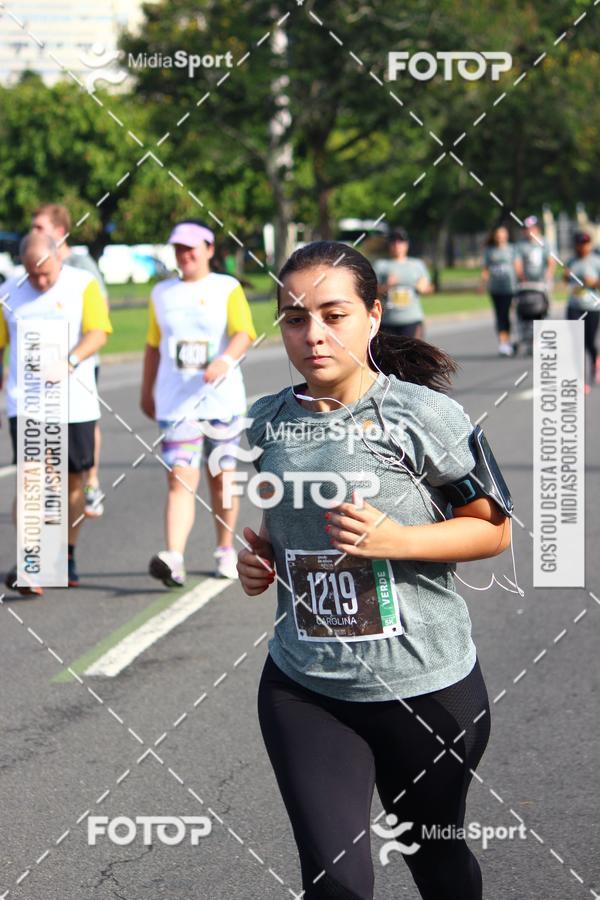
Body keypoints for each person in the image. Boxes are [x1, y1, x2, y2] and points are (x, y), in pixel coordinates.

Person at [237, 241, 513, 900]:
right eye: (296, 318)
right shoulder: (267, 422)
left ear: (372, 315)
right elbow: (292, 526)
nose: (314, 335)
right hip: (305, 686)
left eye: (333, 315)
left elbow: (495, 529)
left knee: (438, 865)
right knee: (336, 886)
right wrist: (265, 561)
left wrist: (398, 539)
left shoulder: (424, 418)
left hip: (425, 689)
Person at [141, 219, 257, 586]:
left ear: (209, 249)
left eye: (191, 248)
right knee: (180, 479)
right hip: (177, 405)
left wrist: (224, 360)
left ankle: (224, 548)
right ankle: (173, 557)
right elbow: (153, 345)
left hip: (221, 402)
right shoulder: (161, 293)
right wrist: (147, 391)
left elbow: (244, 333)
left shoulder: (226, 287)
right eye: (178, 248)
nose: (184, 255)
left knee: (222, 479)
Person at [0, 233, 112, 593]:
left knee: (72, 482)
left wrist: (70, 361)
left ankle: (65, 554)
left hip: (74, 402)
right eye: (34, 275)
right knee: (32, 479)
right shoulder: (10, 292)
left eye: (47, 273)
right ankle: (33, 560)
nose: (41, 282)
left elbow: (98, 332)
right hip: (27, 402)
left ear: (58, 259)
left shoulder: (83, 285)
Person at [31, 203, 108, 518]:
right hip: (45, 370)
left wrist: (74, 356)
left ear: (59, 232)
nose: (33, 233)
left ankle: (90, 480)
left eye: (40, 228)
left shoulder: (80, 265)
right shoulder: (34, 266)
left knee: (87, 420)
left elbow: (99, 311)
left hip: (80, 362)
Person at [373, 228, 433, 341]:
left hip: (412, 320)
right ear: (389, 245)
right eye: (393, 241)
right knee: (389, 357)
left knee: (413, 356)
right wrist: (387, 286)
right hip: (388, 321)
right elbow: (371, 291)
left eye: (400, 241)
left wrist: (424, 288)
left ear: (407, 244)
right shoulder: (381, 265)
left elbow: (430, 288)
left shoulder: (417, 265)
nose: (397, 245)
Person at [563, 230, 600, 394]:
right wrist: (565, 275)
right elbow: (565, 280)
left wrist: (593, 282)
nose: (583, 247)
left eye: (586, 243)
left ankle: (595, 361)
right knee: (576, 344)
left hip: (592, 307)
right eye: (580, 243)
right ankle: (580, 380)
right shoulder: (571, 261)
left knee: (589, 342)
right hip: (574, 306)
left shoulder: (596, 261)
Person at [480, 224, 517, 356]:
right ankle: (503, 343)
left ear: (506, 235)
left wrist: (521, 280)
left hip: (510, 288)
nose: (500, 236)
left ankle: (509, 339)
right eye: (498, 234)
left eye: (503, 233)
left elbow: (517, 267)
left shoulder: (512, 249)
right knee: (499, 315)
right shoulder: (490, 251)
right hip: (495, 288)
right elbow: (485, 269)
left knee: (507, 314)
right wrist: (482, 284)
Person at [514, 215, 556, 285]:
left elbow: (551, 262)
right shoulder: (520, 245)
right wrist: (522, 277)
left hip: (542, 282)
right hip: (526, 282)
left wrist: (548, 275)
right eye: (526, 229)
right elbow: (517, 263)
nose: (528, 231)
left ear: (537, 228)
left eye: (531, 228)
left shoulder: (546, 243)